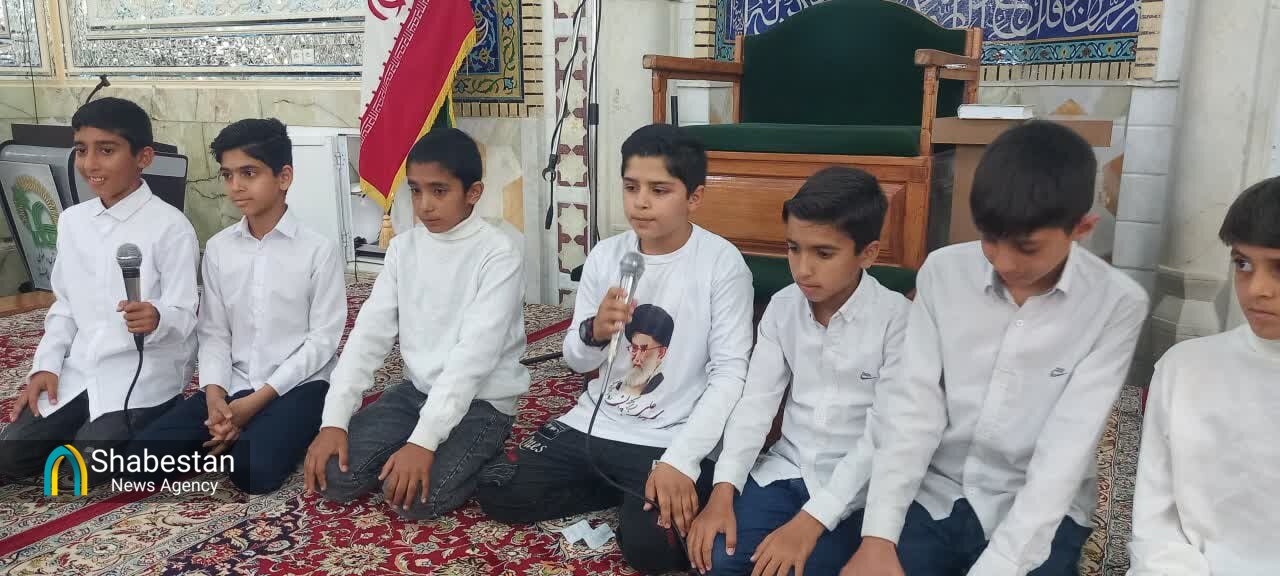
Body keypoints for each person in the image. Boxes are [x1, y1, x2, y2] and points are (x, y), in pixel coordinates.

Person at [842, 120, 1150, 576]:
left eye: (1027, 247)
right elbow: (913, 409)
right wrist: (879, 537)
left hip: (1038, 507)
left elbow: (1066, 449)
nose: (1004, 262)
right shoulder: (943, 273)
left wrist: (1001, 564)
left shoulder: (1117, 303)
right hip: (938, 492)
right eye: (989, 238)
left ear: (1082, 228)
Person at [476, 123, 754, 575]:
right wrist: (595, 332)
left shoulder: (722, 265)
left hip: (667, 438)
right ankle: (622, 491)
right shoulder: (608, 256)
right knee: (498, 491)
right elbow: (576, 360)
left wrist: (682, 461)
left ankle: (640, 493)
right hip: (597, 421)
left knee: (652, 551)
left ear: (694, 198)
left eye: (659, 190)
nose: (640, 202)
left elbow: (730, 375)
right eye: (631, 187)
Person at [688, 167, 908, 576]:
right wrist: (723, 490)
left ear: (868, 254)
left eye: (823, 253)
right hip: (786, 470)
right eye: (793, 248)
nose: (803, 268)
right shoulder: (783, 307)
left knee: (797, 568)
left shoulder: (897, 321)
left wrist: (809, 523)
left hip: (858, 490)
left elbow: (884, 438)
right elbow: (756, 405)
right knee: (718, 558)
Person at [304, 127, 528, 520]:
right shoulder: (403, 249)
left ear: (473, 193)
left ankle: (481, 448)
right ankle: (414, 444)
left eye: (439, 191)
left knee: (412, 500)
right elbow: (368, 336)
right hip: (416, 393)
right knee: (333, 476)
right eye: (416, 190)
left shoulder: (498, 253)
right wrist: (333, 421)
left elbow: (473, 357)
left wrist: (423, 441)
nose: (425, 205)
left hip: (482, 401)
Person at [123, 118, 346, 494]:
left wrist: (254, 404)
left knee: (251, 473)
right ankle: (232, 430)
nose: (236, 186)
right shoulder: (219, 249)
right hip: (234, 382)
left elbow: (322, 342)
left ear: (284, 177)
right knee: (138, 464)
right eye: (227, 175)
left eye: (249, 173)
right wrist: (214, 397)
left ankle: (262, 431)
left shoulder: (318, 250)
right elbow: (213, 332)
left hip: (297, 385)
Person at [0, 97, 198, 482]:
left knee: (77, 471)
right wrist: (46, 366)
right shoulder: (73, 222)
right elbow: (65, 305)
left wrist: (157, 318)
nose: (90, 163)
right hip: (81, 370)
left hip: (142, 376)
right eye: (81, 150)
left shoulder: (170, 227)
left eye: (106, 150)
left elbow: (186, 314)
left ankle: (160, 417)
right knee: (8, 457)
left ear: (143, 157)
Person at [1127, 176, 1280, 575]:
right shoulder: (1185, 368)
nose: (1257, 289)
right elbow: (1156, 524)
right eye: (1243, 264)